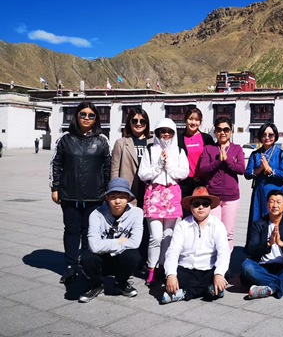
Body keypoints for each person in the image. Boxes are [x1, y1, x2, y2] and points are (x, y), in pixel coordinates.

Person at [50, 101, 111, 284]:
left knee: (89, 231)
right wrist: (55, 187)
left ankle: (86, 264)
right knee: (71, 230)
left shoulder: (102, 140)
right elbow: (56, 164)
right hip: (69, 193)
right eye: (83, 114)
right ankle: (70, 266)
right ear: (76, 116)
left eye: (91, 115)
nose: (86, 118)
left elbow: (108, 168)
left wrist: (108, 191)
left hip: (95, 195)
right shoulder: (65, 139)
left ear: (96, 119)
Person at [138, 117, 189, 286]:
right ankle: (151, 268)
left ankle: (163, 267)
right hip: (154, 194)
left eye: (169, 131)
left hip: (172, 194)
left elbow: (184, 173)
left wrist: (169, 167)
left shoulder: (179, 151)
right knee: (156, 236)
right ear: (157, 133)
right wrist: (158, 166)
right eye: (162, 131)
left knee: (168, 236)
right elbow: (142, 174)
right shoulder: (150, 150)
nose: (166, 134)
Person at [79, 178, 144, 303]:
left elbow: (135, 242)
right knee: (87, 258)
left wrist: (105, 246)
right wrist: (119, 241)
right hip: (101, 258)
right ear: (107, 198)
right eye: (113, 197)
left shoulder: (137, 213)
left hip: (120, 258)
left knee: (133, 256)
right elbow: (94, 246)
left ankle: (121, 282)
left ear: (128, 198)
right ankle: (96, 284)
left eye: (122, 197)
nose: (117, 201)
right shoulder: (96, 214)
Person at [161, 187, 230, 304]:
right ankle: (210, 290)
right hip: (186, 269)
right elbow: (173, 251)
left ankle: (184, 293)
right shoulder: (182, 225)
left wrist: (219, 274)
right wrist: (171, 275)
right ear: (190, 207)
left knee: (225, 273)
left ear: (210, 207)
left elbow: (223, 251)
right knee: (169, 274)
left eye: (205, 204)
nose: (201, 207)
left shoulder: (218, 225)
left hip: (208, 269)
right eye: (196, 204)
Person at [241, 191, 283, 299]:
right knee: (247, 266)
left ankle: (270, 288)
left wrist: (282, 244)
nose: (275, 205)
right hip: (263, 267)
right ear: (267, 204)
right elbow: (251, 249)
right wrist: (268, 244)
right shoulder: (258, 225)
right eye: (272, 201)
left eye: (278, 202)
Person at [110, 107, 153, 268]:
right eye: (135, 120)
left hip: (149, 193)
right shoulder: (121, 143)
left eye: (142, 121)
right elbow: (114, 170)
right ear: (129, 122)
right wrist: (114, 194)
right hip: (128, 193)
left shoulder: (153, 142)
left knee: (147, 228)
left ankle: (143, 260)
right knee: (128, 227)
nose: (138, 123)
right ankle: (125, 262)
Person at [198, 117, 245, 250]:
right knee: (213, 232)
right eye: (219, 129)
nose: (222, 132)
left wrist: (227, 160)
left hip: (231, 197)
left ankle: (226, 260)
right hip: (213, 196)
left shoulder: (237, 149)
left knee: (228, 233)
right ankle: (213, 260)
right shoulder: (209, 148)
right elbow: (203, 169)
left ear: (231, 131)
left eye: (226, 129)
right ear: (215, 131)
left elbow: (241, 169)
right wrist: (219, 161)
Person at [244, 122, 283, 236]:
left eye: (271, 135)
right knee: (258, 220)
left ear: (275, 136)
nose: (267, 137)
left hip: (277, 193)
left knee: (277, 221)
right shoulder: (255, 154)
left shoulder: (281, 154)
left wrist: (270, 170)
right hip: (260, 193)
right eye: (264, 135)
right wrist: (259, 169)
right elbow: (247, 174)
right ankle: (257, 244)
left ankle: (278, 243)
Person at [177, 108, 215, 216]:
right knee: (186, 215)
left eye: (197, 120)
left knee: (202, 215)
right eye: (190, 119)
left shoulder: (207, 139)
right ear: (185, 120)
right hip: (185, 184)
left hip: (203, 183)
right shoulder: (178, 139)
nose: (193, 122)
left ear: (200, 122)